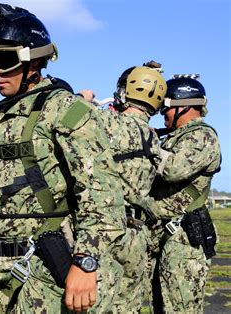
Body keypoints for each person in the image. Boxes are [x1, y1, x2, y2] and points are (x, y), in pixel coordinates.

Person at [0, 4, 126, 313]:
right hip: (0, 268)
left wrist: (86, 263)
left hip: (46, 271)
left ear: (34, 61)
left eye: (4, 60)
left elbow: (103, 196)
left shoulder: (68, 111)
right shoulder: (2, 118)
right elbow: (4, 195)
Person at [149, 75, 221, 313]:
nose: (163, 115)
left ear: (184, 107)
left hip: (184, 241)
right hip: (167, 235)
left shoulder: (202, 136)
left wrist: (146, 143)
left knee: (181, 307)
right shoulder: (174, 137)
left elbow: (172, 169)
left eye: (166, 109)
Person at [101, 64, 167, 312]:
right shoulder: (153, 137)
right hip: (137, 235)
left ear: (124, 92)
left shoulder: (103, 121)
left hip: (105, 229)